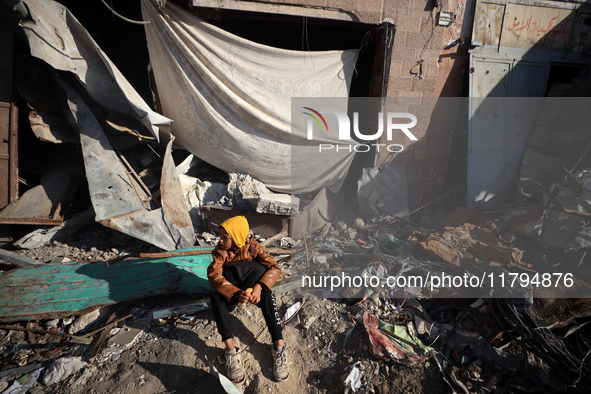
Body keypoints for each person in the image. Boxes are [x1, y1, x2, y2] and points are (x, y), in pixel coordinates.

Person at [207, 215, 289, 383]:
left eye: (225, 237)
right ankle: (230, 350)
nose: (220, 240)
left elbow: (275, 267)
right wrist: (236, 292)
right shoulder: (220, 252)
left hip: (252, 290)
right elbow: (214, 276)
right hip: (234, 291)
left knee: (267, 294)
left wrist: (259, 287)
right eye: (220, 236)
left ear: (237, 237)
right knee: (216, 297)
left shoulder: (253, 247)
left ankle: (278, 346)